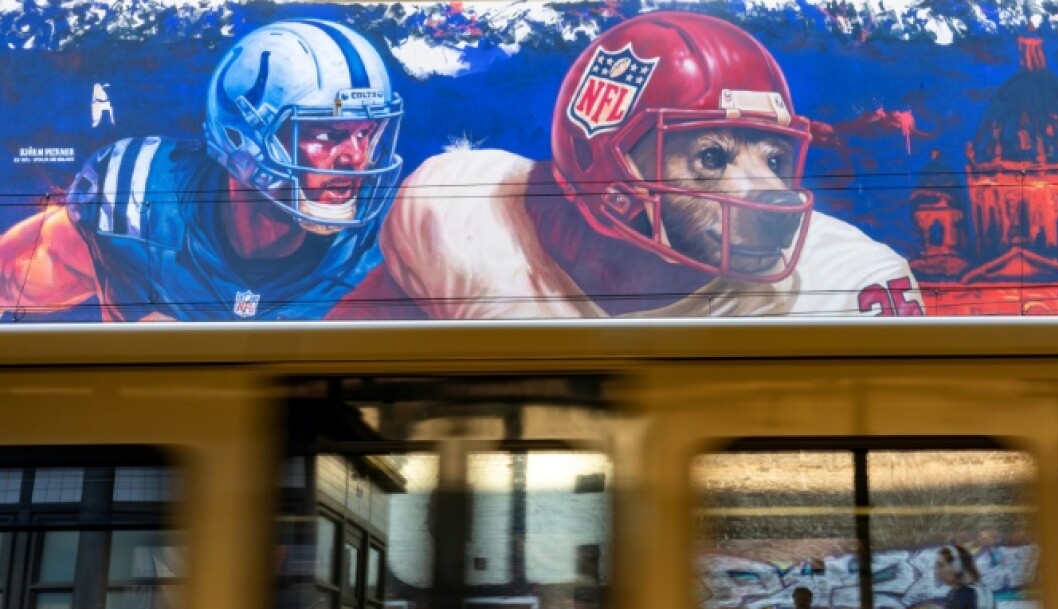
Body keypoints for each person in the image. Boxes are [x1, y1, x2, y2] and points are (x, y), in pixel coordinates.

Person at [379, 11, 923, 320]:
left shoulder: (847, 277)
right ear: (604, 157)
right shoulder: (465, 216)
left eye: (775, 159)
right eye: (712, 156)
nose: (770, 193)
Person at [0, 19, 415, 321]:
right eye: (326, 134)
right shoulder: (140, 204)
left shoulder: (386, 247)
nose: (356, 158)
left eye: (367, 134)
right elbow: (14, 276)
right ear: (242, 137)